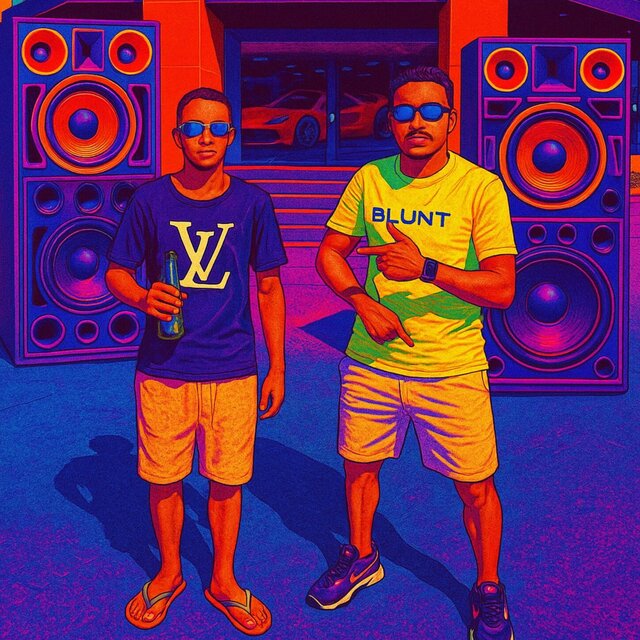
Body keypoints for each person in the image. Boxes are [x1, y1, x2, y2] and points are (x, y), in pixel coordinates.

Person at [307, 65, 517, 640]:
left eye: (430, 111)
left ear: (452, 120)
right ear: (391, 121)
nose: (416, 122)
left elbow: (502, 288)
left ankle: (488, 586)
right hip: (370, 362)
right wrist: (361, 302)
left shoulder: (480, 187)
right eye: (403, 112)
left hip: (451, 367)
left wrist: (427, 268)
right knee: (359, 467)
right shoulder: (371, 178)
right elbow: (329, 253)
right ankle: (362, 556)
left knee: (476, 486)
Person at [106, 87, 287, 636]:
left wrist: (278, 367)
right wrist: (143, 297)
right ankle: (168, 573)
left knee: (228, 481)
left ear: (231, 136)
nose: (205, 137)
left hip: (234, 367)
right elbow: (116, 272)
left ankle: (223, 580)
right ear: (176, 135)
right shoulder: (149, 200)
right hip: (163, 367)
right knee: (164, 478)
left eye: (216, 128)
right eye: (193, 127)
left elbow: (270, 287)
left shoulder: (254, 202)